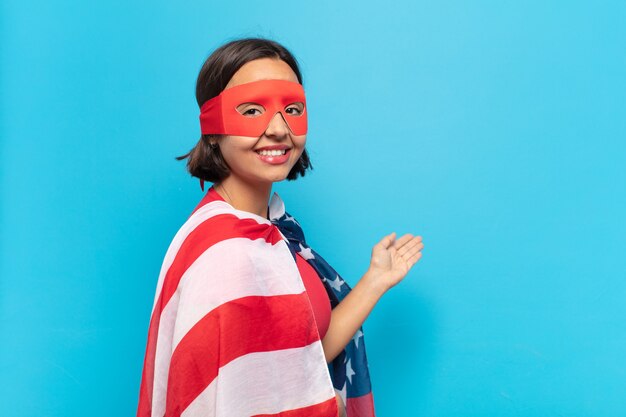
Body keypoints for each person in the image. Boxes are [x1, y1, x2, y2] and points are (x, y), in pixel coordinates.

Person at [137, 38, 424, 417]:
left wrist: (375, 281)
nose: (278, 129)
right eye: (252, 110)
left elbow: (301, 356)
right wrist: (331, 409)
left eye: (291, 109)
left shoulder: (273, 233)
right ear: (213, 124)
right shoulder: (227, 254)